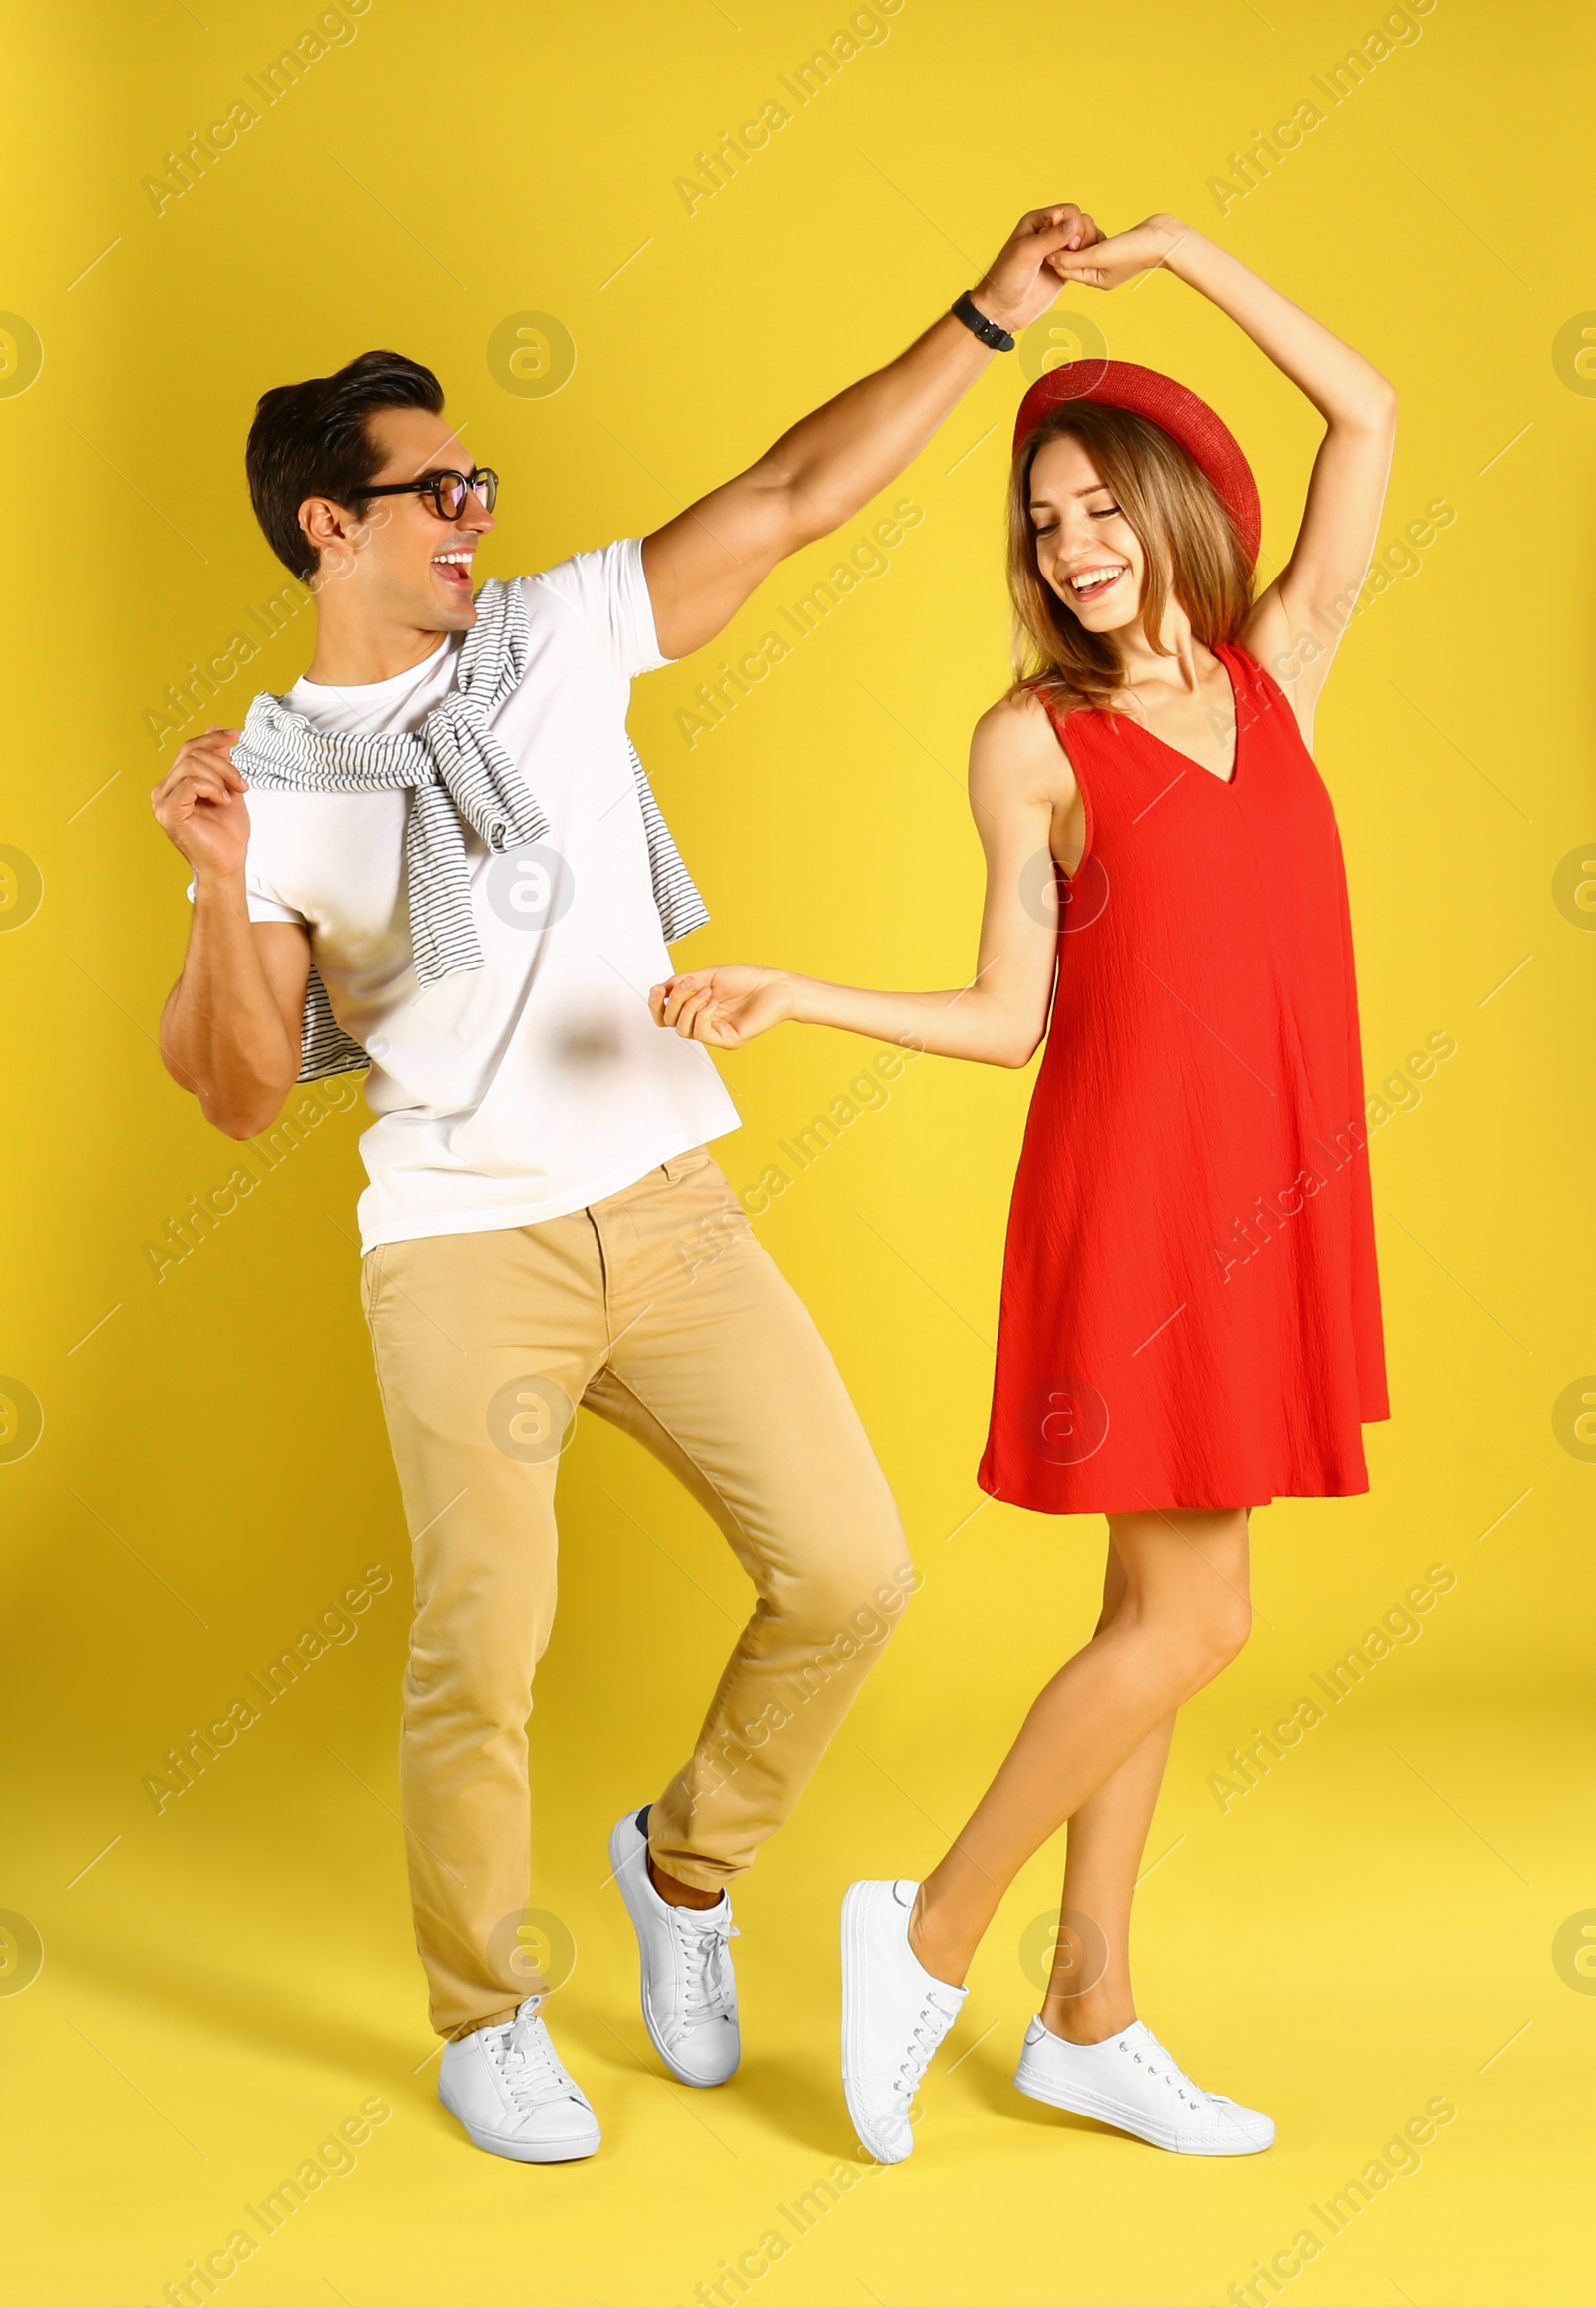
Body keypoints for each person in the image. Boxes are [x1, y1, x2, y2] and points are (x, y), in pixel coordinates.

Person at [149, 200, 1105, 2165]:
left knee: (850, 1569)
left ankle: (684, 1868)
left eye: (474, 482)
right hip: (456, 1244)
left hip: (665, 1198)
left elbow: (785, 496)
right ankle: (484, 2009)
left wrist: (981, 321)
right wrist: (213, 881)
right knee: (480, 1635)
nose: (469, 517)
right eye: (432, 492)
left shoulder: (551, 637)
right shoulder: (283, 778)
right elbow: (242, 1081)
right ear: (327, 526)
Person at [651, 208, 1396, 2163]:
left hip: (1273, 1198)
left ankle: (1087, 2007)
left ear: (1165, 505)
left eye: (1094, 506)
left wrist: (1185, 256)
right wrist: (797, 987)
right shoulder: (1029, 742)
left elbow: (1366, 407)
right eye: (1039, 517)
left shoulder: (1277, 674)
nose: (1065, 545)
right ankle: (927, 1929)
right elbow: (1008, 1016)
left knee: (1153, 1605)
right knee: (1190, 1616)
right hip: (1137, 1211)